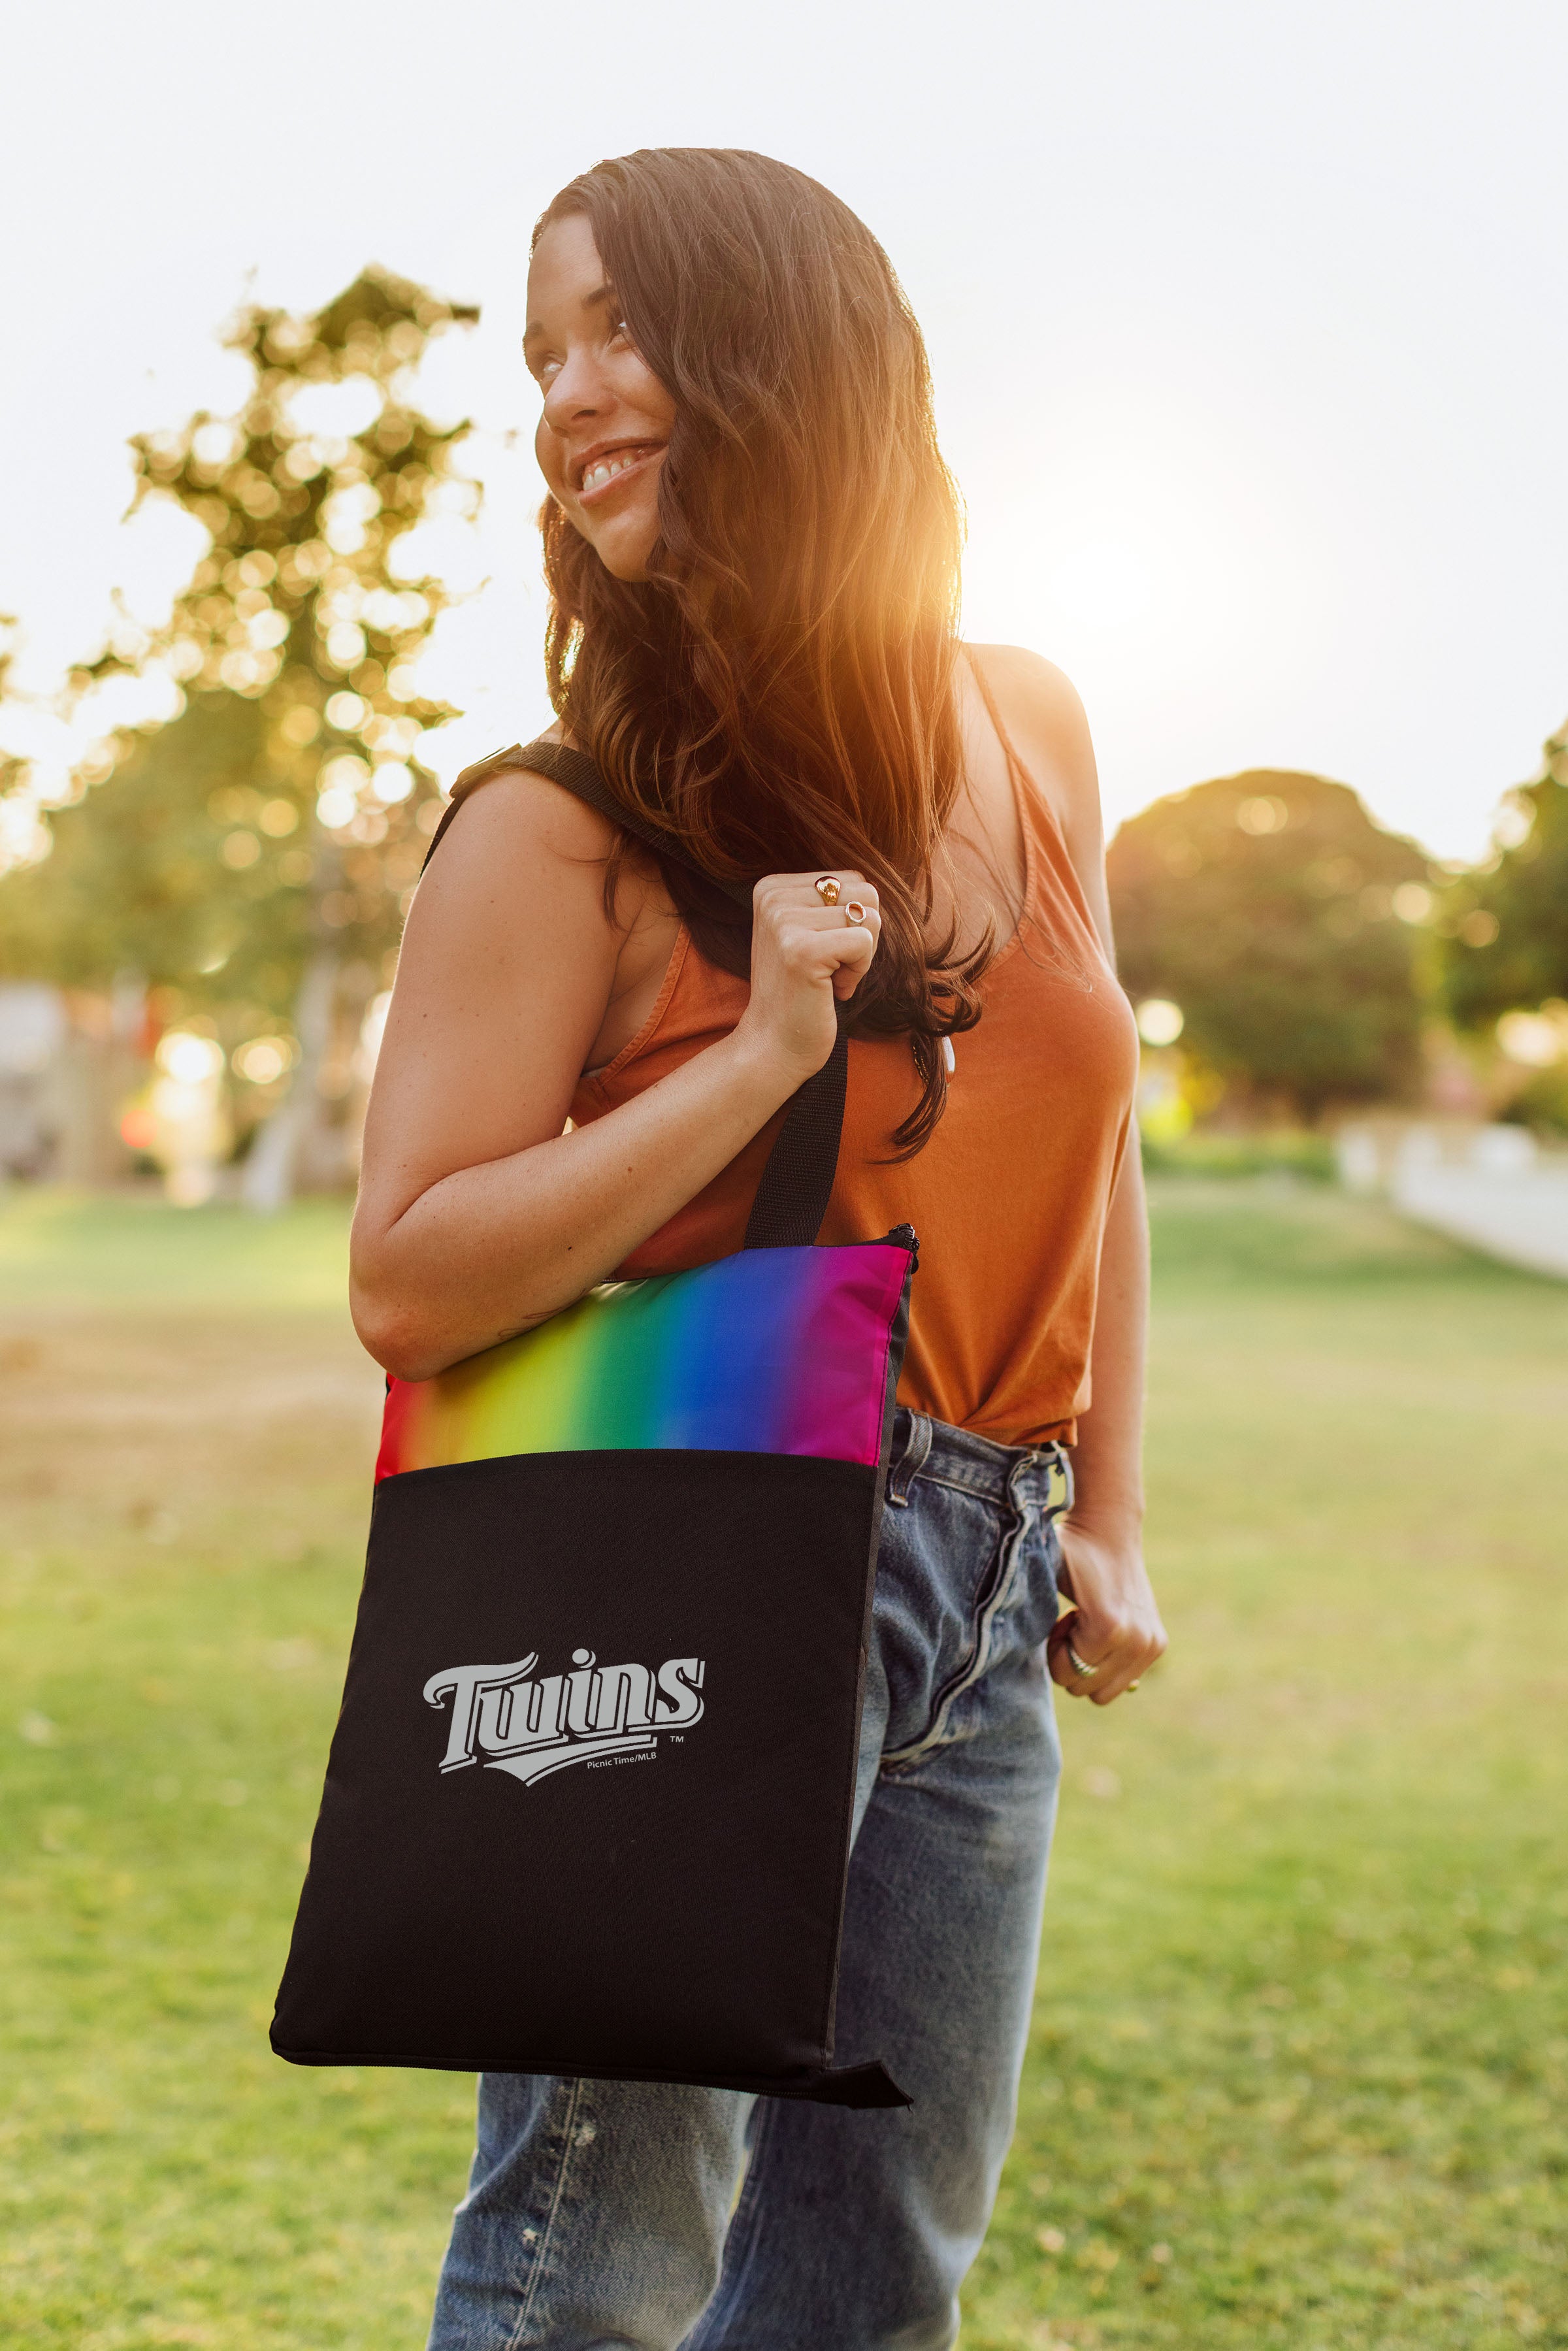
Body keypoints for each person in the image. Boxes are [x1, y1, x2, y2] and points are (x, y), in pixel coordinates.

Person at [351, 146, 1167, 2351]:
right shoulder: (560, 823)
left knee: (871, 2277)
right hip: (699, 1544)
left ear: (784, 357)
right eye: (542, 354)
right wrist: (756, 1056)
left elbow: (1093, 1152)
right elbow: (407, 1278)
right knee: (595, 2260)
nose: (567, 393)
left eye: (616, 330)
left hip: (981, 1583)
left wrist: (1103, 1511)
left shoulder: (1032, 723)